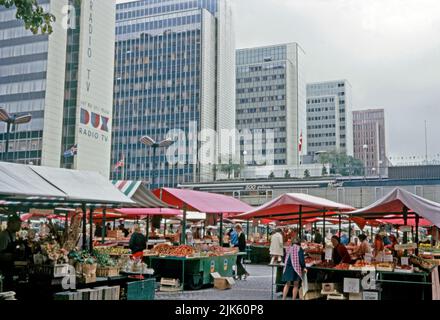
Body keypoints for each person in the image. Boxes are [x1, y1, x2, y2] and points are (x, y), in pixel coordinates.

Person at [0, 215, 22, 291]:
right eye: (18, 224)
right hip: (3, 270)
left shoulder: (13, 234)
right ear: (11, 224)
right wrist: (14, 255)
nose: (20, 226)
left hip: (10, 268)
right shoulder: (4, 236)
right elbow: (1, 255)